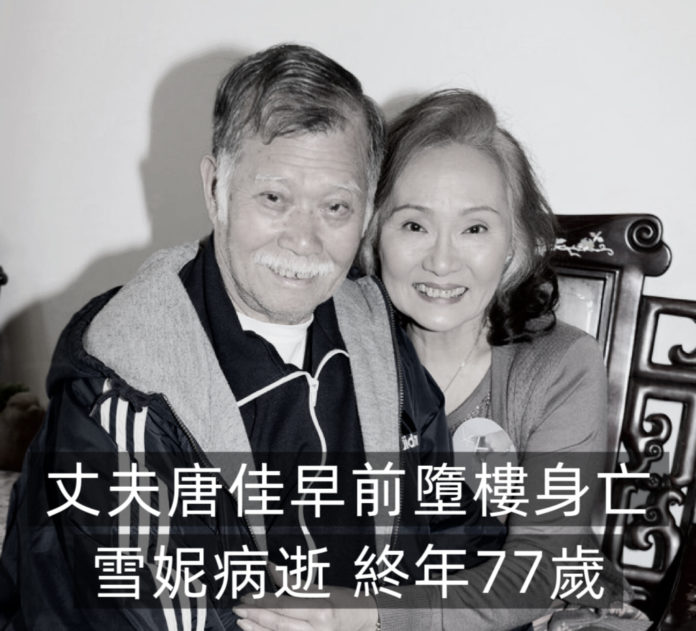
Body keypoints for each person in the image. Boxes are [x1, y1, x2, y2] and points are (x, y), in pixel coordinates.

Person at [0, 50, 503, 630]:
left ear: (366, 211)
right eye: (274, 198)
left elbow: (464, 541)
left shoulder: (376, 336)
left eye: (335, 207)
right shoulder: (124, 389)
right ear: (216, 188)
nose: (304, 240)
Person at [235, 91, 651, 630]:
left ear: (514, 244)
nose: (442, 261)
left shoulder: (559, 366)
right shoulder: (326, 348)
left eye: (474, 228)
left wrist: (366, 615)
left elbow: (539, 568)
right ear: (372, 234)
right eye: (414, 225)